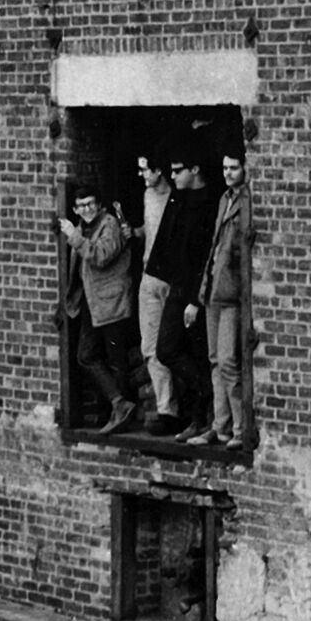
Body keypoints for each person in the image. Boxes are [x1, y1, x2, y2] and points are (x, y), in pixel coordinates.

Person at [150, 152, 219, 439]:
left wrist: (194, 300)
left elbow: (206, 255)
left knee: (199, 353)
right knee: (166, 349)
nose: (174, 176)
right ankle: (207, 391)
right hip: (177, 288)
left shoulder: (209, 203)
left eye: (178, 170)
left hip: (197, 293)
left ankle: (201, 418)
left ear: (195, 167)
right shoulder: (179, 199)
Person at [60, 185, 140, 434]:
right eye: (81, 206)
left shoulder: (110, 225)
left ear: (99, 204)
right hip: (92, 303)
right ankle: (119, 404)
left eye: (91, 204)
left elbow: (101, 255)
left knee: (116, 360)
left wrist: (74, 236)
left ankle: (122, 413)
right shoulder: (83, 228)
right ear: (75, 209)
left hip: (112, 301)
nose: (87, 209)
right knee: (86, 355)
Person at [187, 152, 253, 449]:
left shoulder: (247, 200)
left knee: (228, 361)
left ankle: (240, 429)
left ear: (245, 168)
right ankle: (221, 426)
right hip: (214, 288)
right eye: (225, 168)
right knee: (215, 361)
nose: (228, 173)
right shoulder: (224, 199)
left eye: (234, 168)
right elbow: (215, 247)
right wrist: (202, 288)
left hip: (232, 293)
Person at [131, 152, 178, 434]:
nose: (142, 175)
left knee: (171, 347)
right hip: (149, 276)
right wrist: (135, 233)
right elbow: (150, 230)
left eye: (145, 170)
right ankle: (166, 409)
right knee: (149, 347)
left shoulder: (175, 197)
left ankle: (181, 409)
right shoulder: (148, 197)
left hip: (170, 279)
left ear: (160, 171)